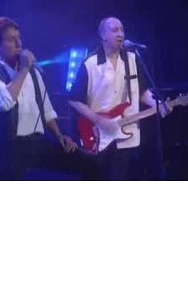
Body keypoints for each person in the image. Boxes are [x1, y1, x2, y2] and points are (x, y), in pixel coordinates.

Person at [0, 17, 100, 181]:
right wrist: (24, 69)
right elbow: (4, 102)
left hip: (36, 143)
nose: (19, 44)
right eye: (11, 40)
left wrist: (59, 136)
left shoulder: (32, 70)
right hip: (9, 149)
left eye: (19, 38)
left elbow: (45, 108)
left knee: (91, 163)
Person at [69, 16, 169, 180]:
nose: (120, 33)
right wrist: (98, 119)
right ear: (103, 35)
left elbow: (142, 91)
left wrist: (158, 105)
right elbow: (74, 99)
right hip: (98, 135)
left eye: (122, 29)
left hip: (127, 135)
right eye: (115, 30)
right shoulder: (90, 63)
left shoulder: (132, 59)